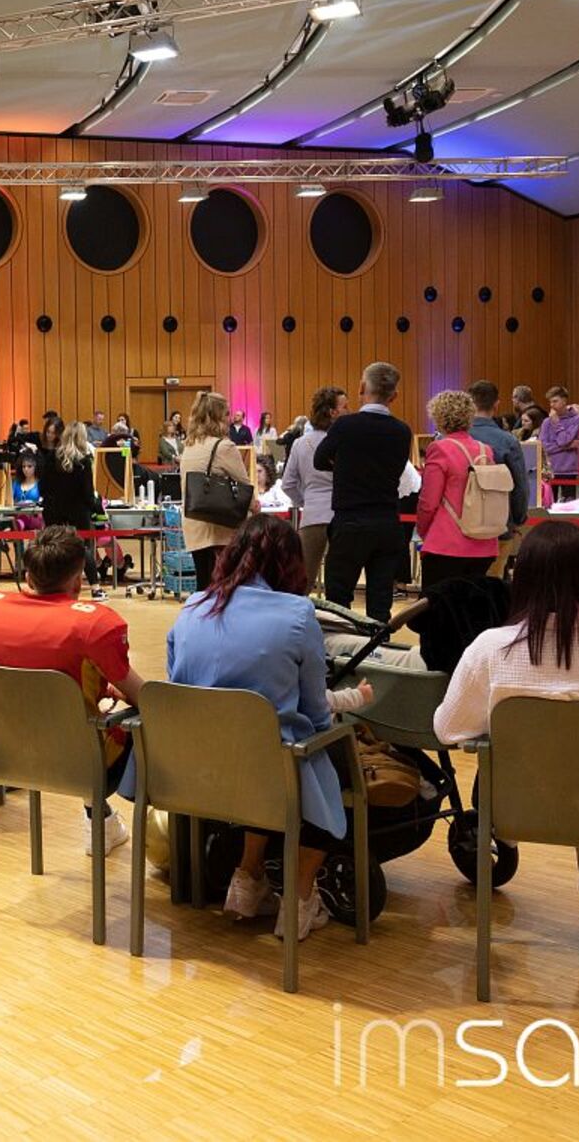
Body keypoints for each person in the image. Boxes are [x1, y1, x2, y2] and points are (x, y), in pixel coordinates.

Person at [432, 521, 579, 952]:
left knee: (518, 763)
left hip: (515, 806)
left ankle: (508, 843)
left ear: (521, 577)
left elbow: (448, 729)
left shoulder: (490, 647)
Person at [167, 515, 345, 941]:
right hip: (269, 773)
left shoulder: (191, 608)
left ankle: (248, 879)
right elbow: (317, 715)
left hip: (193, 771)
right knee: (327, 756)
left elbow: (176, 686)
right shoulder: (299, 614)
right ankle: (300, 897)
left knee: (258, 749)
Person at [0, 526, 147, 855]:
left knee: (64, 715)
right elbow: (144, 696)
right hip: (78, 761)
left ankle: (103, 822)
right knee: (140, 720)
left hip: (1, 754)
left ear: (28, 576)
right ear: (78, 580)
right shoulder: (94, 624)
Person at [315, 362, 413, 621]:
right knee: (380, 602)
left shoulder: (345, 426)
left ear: (361, 388)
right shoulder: (402, 431)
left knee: (338, 599)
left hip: (351, 520)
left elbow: (319, 459)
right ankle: (378, 644)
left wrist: (345, 466)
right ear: (394, 396)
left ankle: (342, 646)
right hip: (387, 521)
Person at [416, 390, 503, 587]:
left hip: (446, 542)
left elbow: (429, 502)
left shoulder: (439, 448)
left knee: (438, 602)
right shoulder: (485, 450)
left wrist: (423, 531)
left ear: (439, 418)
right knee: (471, 602)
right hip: (484, 542)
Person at [174, 391, 253, 592]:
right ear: (218, 416)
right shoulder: (224, 447)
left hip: (194, 525)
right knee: (225, 588)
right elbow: (246, 489)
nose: (229, 418)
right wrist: (258, 510)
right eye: (226, 413)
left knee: (204, 586)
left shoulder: (189, 446)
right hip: (219, 527)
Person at [282, 386, 347, 587]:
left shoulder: (300, 444)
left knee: (303, 580)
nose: (349, 411)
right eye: (345, 407)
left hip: (312, 515)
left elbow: (288, 484)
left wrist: (306, 500)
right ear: (332, 412)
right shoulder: (346, 441)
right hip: (343, 515)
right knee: (340, 582)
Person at [40, 420, 107, 600]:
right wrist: (97, 506)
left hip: (53, 510)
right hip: (78, 513)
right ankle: (95, 588)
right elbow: (87, 494)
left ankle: (50, 587)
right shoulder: (83, 461)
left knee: (53, 548)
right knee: (82, 549)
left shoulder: (51, 457)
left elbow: (43, 488)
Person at [466, 381, 530, 540]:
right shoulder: (508, 441)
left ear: (470, 404)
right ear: (496, 404)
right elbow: (519, 485)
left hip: (459, 524)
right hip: (498, 523)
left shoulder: (448, 440)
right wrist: (518, 518)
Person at [538, 387, 579, 502]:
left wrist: (556, 423)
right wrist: (568, 446)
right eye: (550, 402)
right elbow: (543, 446)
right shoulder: (546, 422)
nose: (552, 405)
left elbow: (563, 440)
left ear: (564, 401)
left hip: (569, 470)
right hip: (550, 470)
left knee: (569, 504)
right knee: (549, 503)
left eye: (555, 401)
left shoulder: (576, 419)